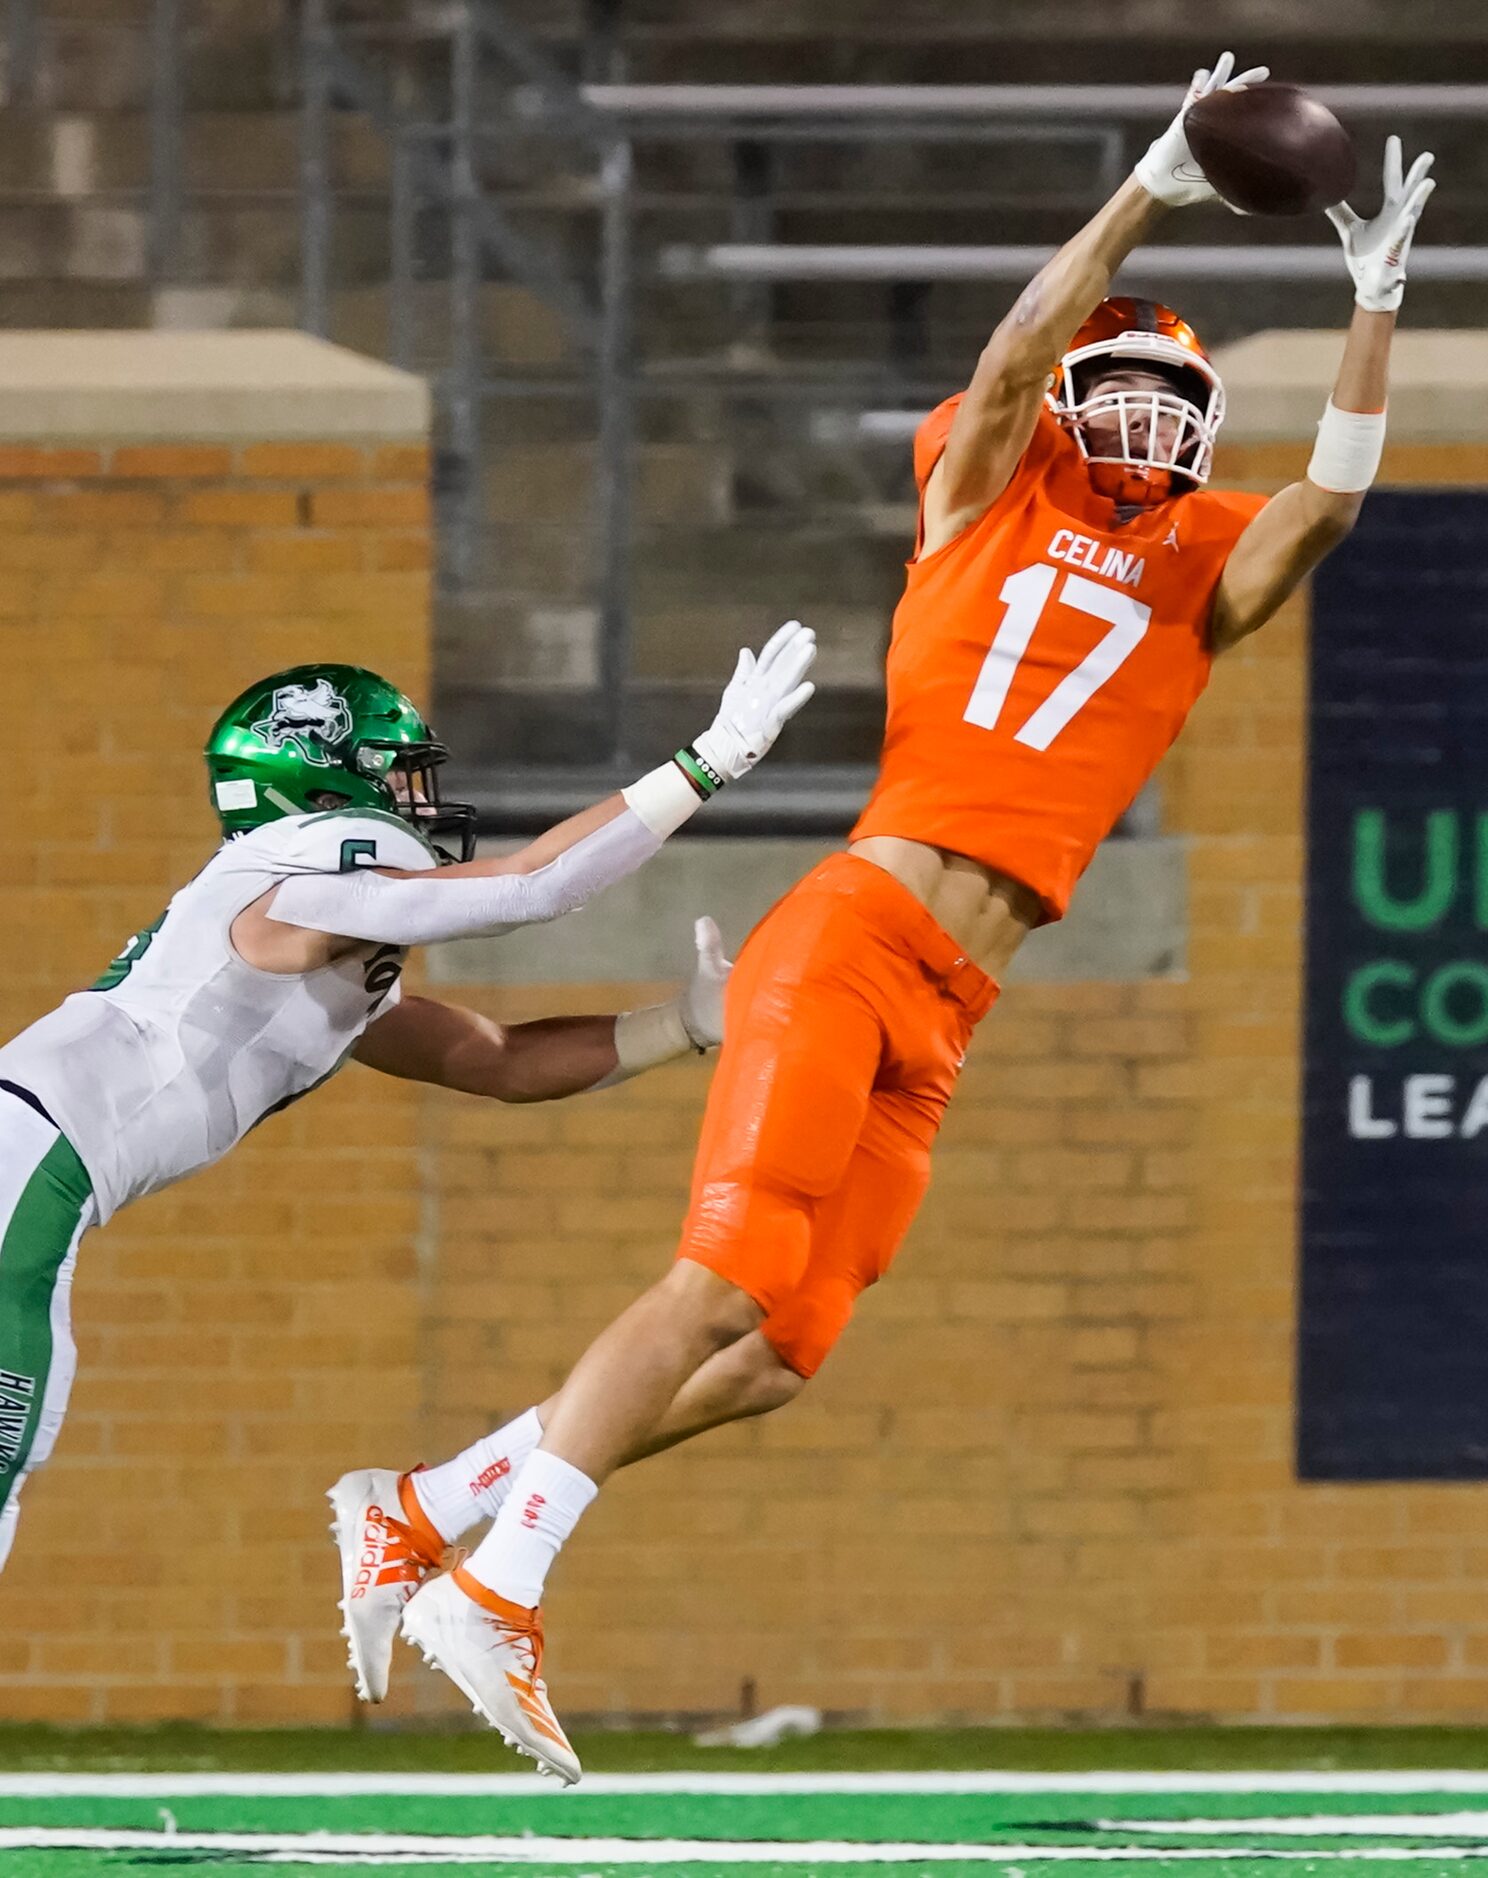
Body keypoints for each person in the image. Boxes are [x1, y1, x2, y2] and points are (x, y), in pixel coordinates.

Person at [356, 55, 1435, 1784]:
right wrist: (1151, 177)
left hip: (953, 998)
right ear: (1076, 402)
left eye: (1179, 390)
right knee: (717, 1279)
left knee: (779, 1349)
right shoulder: (980, 494)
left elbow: (1327, 504)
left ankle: (431, 1505)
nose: (1153, 412)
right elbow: (1016, 349)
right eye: (1126, 381)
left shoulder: (1198, 570)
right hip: (854, 924)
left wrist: (1372, 303)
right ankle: (503, 1582)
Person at [0, 628, 817, 1578]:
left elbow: (500, 1061)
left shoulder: (297, 966)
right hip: (29, 1163)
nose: (417, 801)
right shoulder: (290, 876)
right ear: (315, 787)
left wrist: (679, 1023)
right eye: (395, 776)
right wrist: (708, 762)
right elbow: (533, 886)